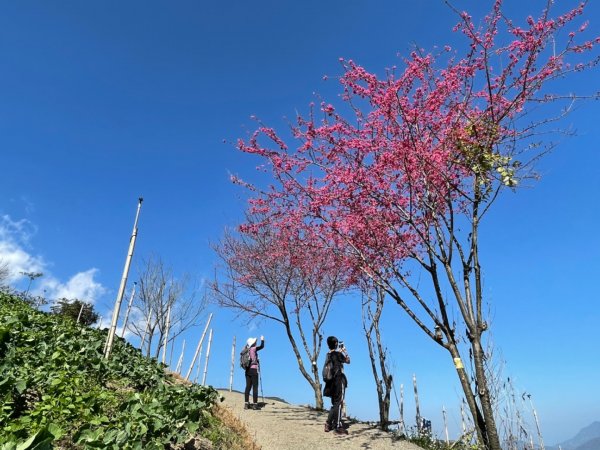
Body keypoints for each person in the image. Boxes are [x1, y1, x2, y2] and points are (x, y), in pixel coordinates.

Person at [323, 335, 350, 434]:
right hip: (338, 380)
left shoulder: (328, 355)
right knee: (339, 403)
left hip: (330, 382)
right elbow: (348, 361)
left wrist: (339, 350)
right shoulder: (338, 354)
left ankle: (328, 423)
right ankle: (338, 426)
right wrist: (344, 351)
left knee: (335, 403)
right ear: (335, 344)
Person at [244, 335, 264, 410]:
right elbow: (262, 346)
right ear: (253, 343)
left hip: (247, 370)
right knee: (255, 387)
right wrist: (262, 340)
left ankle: (246, 404)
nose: (256, 342)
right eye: (255, 341)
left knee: (248, 387)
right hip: (253, 369)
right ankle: (255, 405)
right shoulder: (253, 349)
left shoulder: (246, 349)